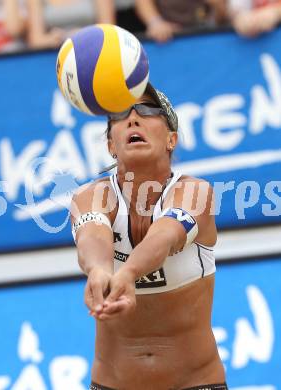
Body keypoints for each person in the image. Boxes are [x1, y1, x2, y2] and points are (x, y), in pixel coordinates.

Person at [71, 82, 227, 390]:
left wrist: (127, 273)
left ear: (172, 139)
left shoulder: (195, 192)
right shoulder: (90, 196)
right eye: (120, 113)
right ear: (111, 146)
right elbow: (92, 237)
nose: (133, 118)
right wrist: (99, 270)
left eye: (147, 109)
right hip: (112, 384)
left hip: (196, 383)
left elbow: (164, 236)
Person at [135, 0, 228, 43]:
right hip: (170, 39)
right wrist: (155, 23)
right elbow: (143, 2)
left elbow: (222, 18)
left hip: (206, 38)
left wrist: (218, 5)